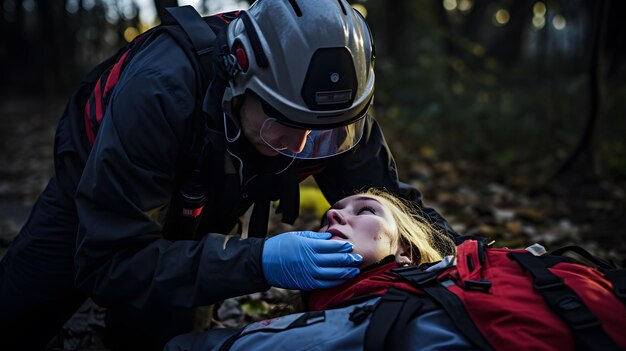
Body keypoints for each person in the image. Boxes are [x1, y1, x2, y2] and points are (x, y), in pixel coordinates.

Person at [0, 1, 457, 350]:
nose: (301, 149)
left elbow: (398, 208)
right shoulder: (161, 90)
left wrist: (474, 263)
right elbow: (110, 262)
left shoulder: (332, 114)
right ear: (239, 79)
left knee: (160, 336)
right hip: (102, 179)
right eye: (282, 124)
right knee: (19, 312)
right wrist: (259, 261)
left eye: (325, 134)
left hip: (217, 187)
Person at [163, 188, 470, 350]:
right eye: (327, 215)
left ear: (406, 250)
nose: (334, 214)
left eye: (365, 210)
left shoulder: (438, 305)